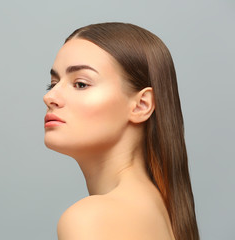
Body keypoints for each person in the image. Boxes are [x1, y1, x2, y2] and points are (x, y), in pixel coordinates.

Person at [43, 22, 200, 240]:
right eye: (53, 84)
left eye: (80, 84)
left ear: (141, 105)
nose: (49, 97)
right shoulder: (162, 212)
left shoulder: (91, 218)